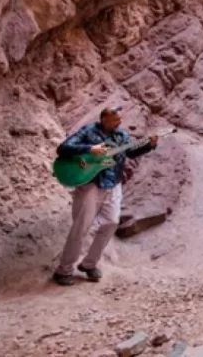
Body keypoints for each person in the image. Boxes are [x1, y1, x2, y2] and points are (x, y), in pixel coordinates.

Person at [53, 106, 159, 286]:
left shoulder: (122, 136)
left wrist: (149, 145)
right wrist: (89, 149)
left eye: (119, 120)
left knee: (112, 222)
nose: (119, 123)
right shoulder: (88, 131)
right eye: (114, 120)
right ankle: (64, 270)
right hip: (90, 184)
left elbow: (130, 152)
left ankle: (89, 264)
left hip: (113, 184)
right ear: (104, 120)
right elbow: (63, 148)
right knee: (81, 228)